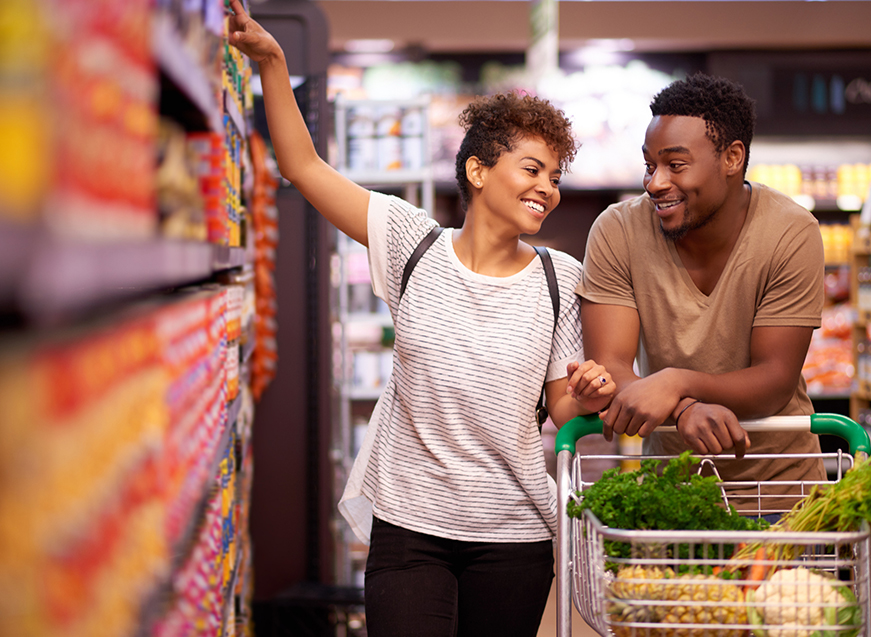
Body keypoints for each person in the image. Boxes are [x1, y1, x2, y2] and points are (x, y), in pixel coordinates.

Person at [226, 2, 615, 635]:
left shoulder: (558, 278)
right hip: (410, 527)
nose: (549, 187)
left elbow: (566, 411)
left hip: (512, 534)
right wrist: (271, 61)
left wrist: (591, 392)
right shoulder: (413, 244)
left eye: (555, 175)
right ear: (479, 170)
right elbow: (303, 167)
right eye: (532, 168)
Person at [576, 72, 826, 514]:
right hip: (675, 497)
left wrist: (677, 382)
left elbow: (774, 379)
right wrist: (687, 407)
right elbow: (611, 367)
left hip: (784, 495)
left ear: (732, 158)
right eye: (650, 165)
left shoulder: (790, 231)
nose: (655, 182)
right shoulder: (617, 231)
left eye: (675, 164)